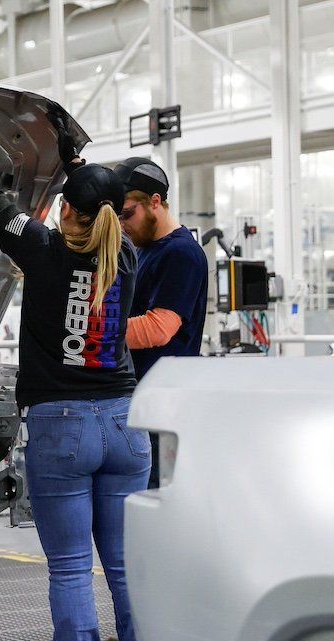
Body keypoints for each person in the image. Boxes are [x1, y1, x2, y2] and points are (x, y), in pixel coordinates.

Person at [0, 82, 154, 641]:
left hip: (63, 429)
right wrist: (69, 158)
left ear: (63, 211)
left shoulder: (41, 251)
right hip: (125, 426)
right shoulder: (125, 259)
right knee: (125, 572)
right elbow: (87, 203)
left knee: (69, 569)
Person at [114, 156, 209, 485]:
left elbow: (158, 328)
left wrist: (93, 331)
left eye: (128, 214)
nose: (124, 224)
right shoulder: (145, 249)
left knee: (153, 496)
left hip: (163, 402)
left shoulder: (181, 253)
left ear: (155, 201)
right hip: (142, 396)